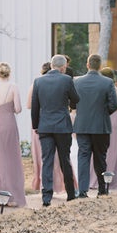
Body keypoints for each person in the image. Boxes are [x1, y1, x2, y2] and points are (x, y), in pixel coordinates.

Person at [30, 54, 80, 205]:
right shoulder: (66, 80)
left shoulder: (38, 81)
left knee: (47, 161)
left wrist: (36, 125)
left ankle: (46, 197)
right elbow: (76, 99)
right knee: (65, 159)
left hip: (45, 126)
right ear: (63, 67)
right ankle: (71, 194)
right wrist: (70, 104)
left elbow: (35, 106)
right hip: (62, 126)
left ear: (51, 66)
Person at [73, 54, 117, 197]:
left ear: (88, 65)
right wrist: (103, 113)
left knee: (83, 157)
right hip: (101, 125)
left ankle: (82, 190)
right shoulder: (107, 82)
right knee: (100, 158)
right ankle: (102, 188)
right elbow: (114, 105)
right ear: (100, 66)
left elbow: (72, 103)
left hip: (82, 125)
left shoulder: (77, 82)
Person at [0, 62, 27, 208]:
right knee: (11, 160)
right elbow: (18, 108)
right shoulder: (13, 86)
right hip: (9, 124)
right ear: (9, 73)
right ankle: (11, 195)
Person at [96, 67, 117, 191]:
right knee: (116, 149)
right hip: (115, 120)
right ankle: (114, 179)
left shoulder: (99, 89)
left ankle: (99, 178)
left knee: (101, 149)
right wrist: (116, 111)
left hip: (101, 119)